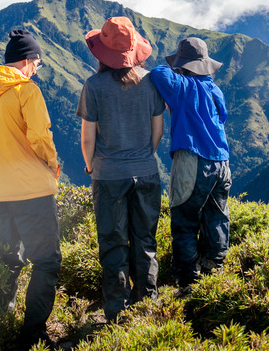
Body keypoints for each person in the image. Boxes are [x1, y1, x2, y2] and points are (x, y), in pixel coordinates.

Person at [0, 29, 62, 349]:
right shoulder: (26, 91)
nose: (37, 69)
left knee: (10, 259)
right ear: (27, 61)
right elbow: (39, 136)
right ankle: (31, 333)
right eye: (38, 63)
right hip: (32, 191)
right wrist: (52, 166)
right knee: (46, 261)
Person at [76, 16, 165, 322]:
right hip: (146, 172)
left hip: (108, 174)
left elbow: (88, 136)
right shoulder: (150, 82)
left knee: (113, 242)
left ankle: (117, 311)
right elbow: (158, 129)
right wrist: (145, 155)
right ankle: (147, 304)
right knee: (145, 240)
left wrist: (90, 165)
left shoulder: (94, 86)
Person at [149, 37, 231, 296]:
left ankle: (188, 281)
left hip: (192, 160)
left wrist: (176, 68)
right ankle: (213, 271)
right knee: (216, 217)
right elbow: (223, 117)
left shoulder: (180, 85)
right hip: (221, 161)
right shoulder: (215, 90)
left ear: (183, 65)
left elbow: (157, 73)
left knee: (184, 220)